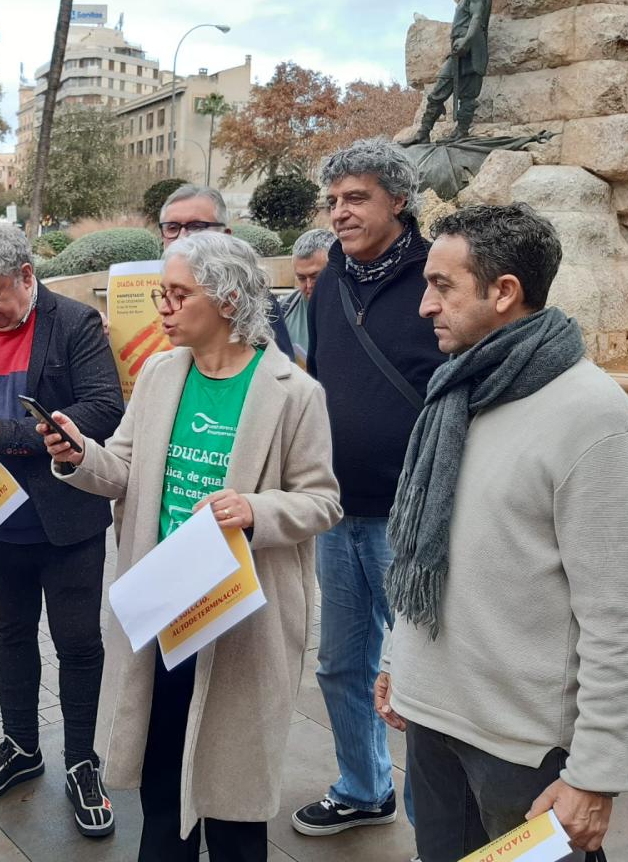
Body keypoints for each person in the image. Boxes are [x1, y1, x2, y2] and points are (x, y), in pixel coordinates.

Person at [43, 232, 341, 861]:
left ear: (229, 300)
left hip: (241, 619)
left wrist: (255, 510)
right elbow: (122, 468)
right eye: (161, 293)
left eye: (178, 294)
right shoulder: (158, 372)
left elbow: (322, 501)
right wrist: (78, 456)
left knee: (232, 803)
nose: (163, 308)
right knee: (160, 789)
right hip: (164, 608)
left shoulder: (294, 392)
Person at [376, 203, 628, 862]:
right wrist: (398, 662)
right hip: (434, 727)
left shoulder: (591, 416)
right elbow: (423, 548)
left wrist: (595, 774)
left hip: (526, 753)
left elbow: (622, 616)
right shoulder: (455, 392)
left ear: (504, 292)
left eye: (442, 286)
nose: (424, 305)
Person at [0, 221, 125, 837]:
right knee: (11, 636)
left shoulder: (74, 324)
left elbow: (104, 407)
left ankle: (83, 761)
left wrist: (8, 435)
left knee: (78, 644)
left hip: (65, 518)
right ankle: (20, 746)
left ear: (27, 277)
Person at [291, 139, 446, 837]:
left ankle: (432, 831)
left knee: (420, 681)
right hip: (337, 510)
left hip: (410, 520)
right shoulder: (327, 280)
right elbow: (320, 379)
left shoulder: (436, 276)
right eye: (333, 201)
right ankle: (364, 786)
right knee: (341, 665)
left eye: (356, 198)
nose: (340, 213)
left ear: (398, 200)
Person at [157, 184, 293, 356]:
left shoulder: (252, 298)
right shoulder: (145, 294)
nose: (182, 236)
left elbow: (279, 373)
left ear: (226, 235)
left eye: (197, 226)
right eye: (172, 228)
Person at [408, 0, 491, 144]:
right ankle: (423, 133)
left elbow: (476, 18)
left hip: (472, 50)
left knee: (468, 96)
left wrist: (466, 41)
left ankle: (461, 131)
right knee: (438, 91)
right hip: (457, 53)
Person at [282, 228, 336, 364]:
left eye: (315, 277)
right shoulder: (283, 311)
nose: (309, 285)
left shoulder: (357, 308)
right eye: (301, 278)